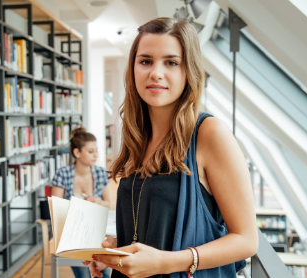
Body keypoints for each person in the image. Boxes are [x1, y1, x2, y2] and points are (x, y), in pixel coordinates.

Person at [85, 17, 258, 278]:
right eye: (145, 61)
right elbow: (150, 231)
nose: (156, 72)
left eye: (171, 62)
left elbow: (246, 240)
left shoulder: (210, 134)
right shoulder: (138, 137)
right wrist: (115, 252)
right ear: (133, 69)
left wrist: (165, 263)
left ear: (188, 71)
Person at [51, 127, 112, 278]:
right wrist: (77, 207)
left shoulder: (100, 173)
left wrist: (99, 202)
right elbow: (56, 210)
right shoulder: (63, 174)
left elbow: (109, 203)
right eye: (90, 151)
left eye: (96, 150)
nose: (96, 155)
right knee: (84, 275)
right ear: (77, 153)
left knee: (104, 272)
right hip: (71, 234)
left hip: (96, 231)